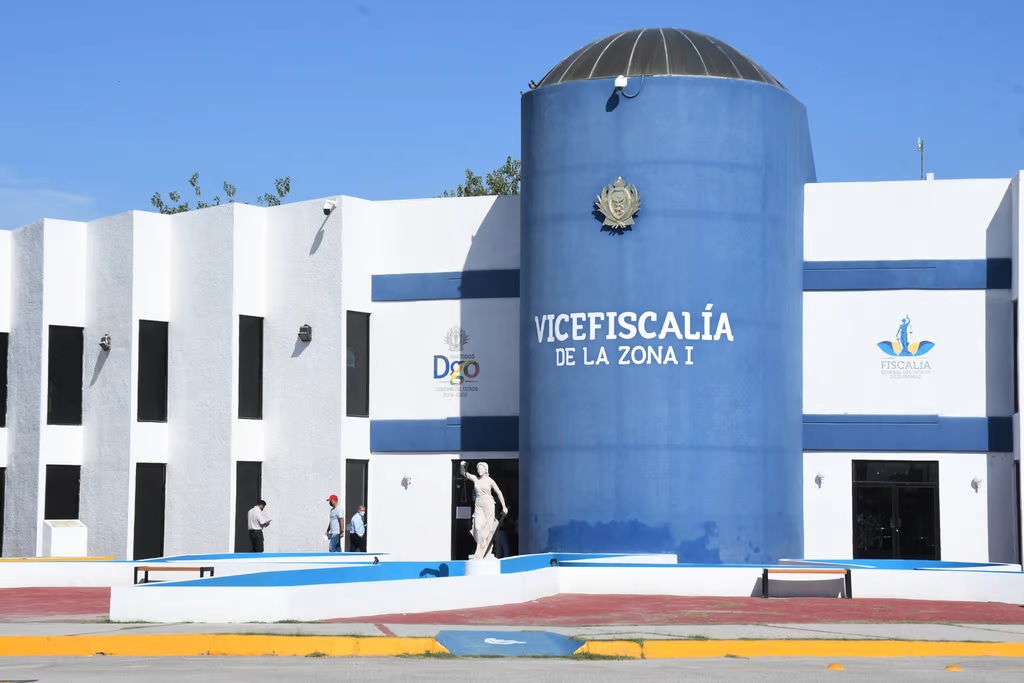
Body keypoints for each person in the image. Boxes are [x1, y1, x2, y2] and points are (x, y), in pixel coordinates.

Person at [459, 461, 507, 559]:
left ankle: (482, 549)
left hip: (488, 504)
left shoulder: (490, 481)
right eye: (478, 469)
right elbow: (463, 473)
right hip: (478, 504)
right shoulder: (475, 479)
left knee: (488, 527)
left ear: (486, 470)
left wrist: (504, 507)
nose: (479, 470)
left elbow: (499, 492)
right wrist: (461, 465)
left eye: (481, 468)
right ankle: (480, 546)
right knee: (477, 527)